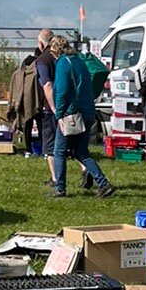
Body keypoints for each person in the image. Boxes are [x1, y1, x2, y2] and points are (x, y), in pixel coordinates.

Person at [49, 36, 112, 198]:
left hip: (71, 113)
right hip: (88, 111)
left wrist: (59, 114)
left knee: (59, 151)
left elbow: (62, 91)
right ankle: (103, 184)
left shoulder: (63, 63)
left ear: (56, 50)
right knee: (81, 152)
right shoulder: (79, 61)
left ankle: (60, 188)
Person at [32, 27, 59, 170]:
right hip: (68, 103)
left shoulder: (42, 60)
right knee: (72, 144)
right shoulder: (60, 55)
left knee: (50, 146)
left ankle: (56, 179)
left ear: (41, 43)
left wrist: (53, 107)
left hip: (51, 107)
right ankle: (86, 170)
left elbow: (47, 85)